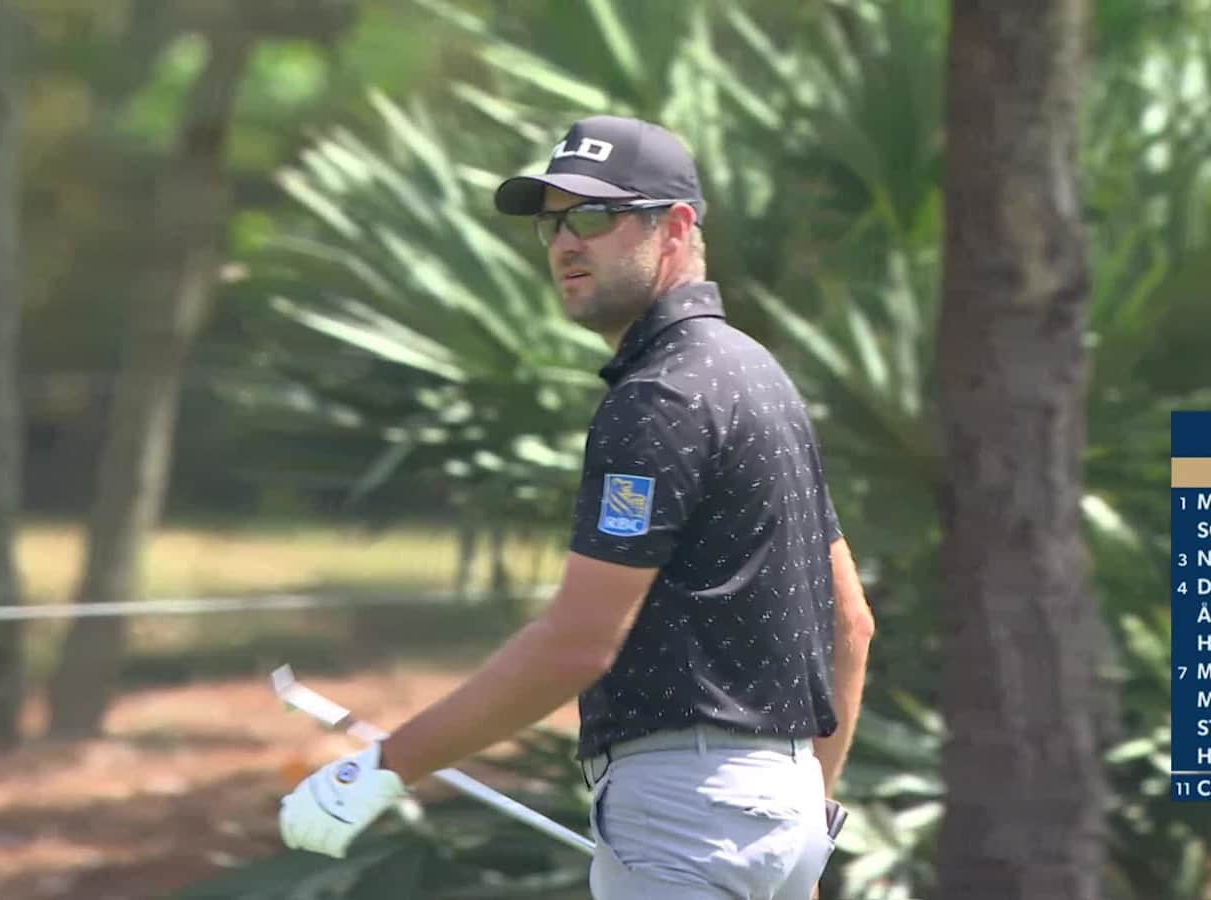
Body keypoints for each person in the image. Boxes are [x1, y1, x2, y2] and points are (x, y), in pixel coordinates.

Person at [279, 115, 876, 900]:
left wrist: (384, 768)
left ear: (676, 226)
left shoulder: (658, 398)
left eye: (594, 217)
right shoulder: (756, 375)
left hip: (685, 818)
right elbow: (852, 624)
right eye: (551, 222)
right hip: (787, 815)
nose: (565, 243)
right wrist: (805, 807)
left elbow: (575, 646)